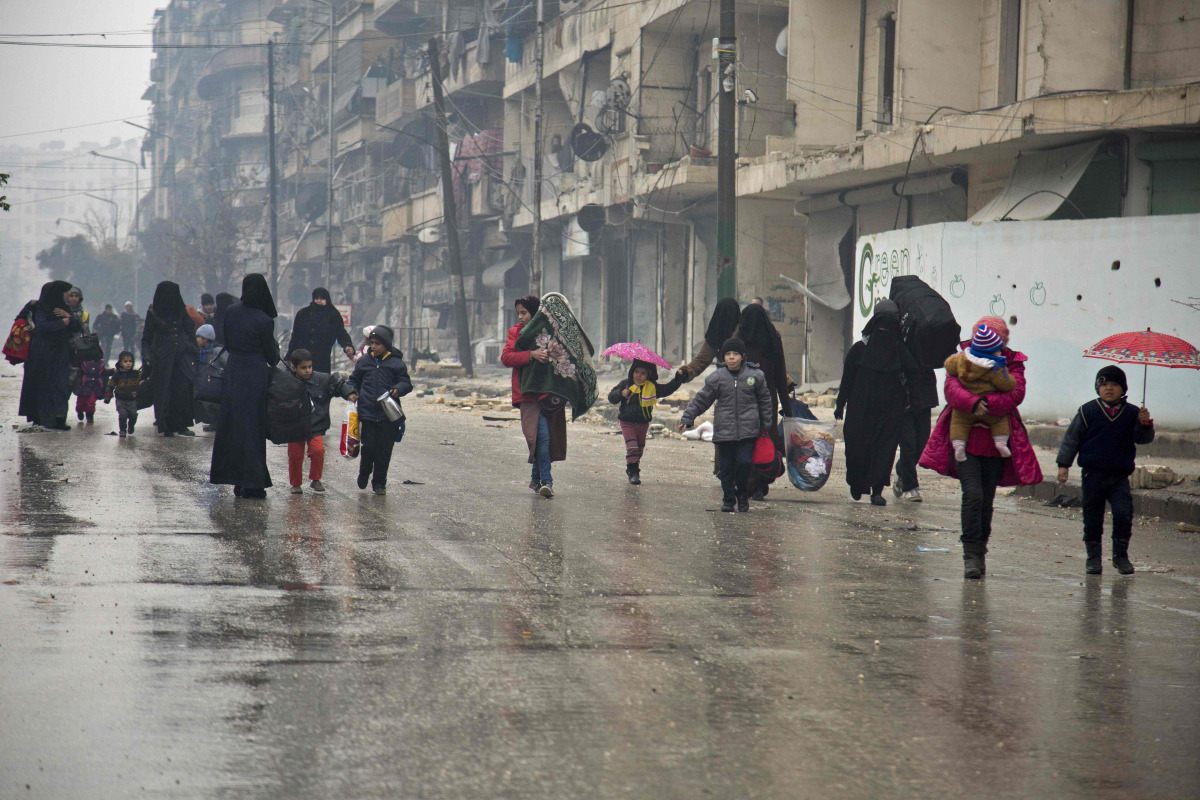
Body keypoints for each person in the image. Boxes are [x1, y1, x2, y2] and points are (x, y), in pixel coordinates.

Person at [919, 316, 1042, 579]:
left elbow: (1015, 393)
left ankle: (980, 549)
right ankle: (970, 555)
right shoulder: (963, 356)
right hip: (964, 439)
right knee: (973, 494)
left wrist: (988, 402)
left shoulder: (1012, 361)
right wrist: (973, 403)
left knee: (986, 499)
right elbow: (951, 388)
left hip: (997, 444)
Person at [1056, 365, 1155, 575]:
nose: (1108, 388)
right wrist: (1064, 465)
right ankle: (1093, 558)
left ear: (1123, 389)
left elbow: (1143, 439)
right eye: (1104, 384)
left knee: (1123, 515)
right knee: (1092, 517)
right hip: (1092, 474)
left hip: (1119, 477)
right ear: (1097, 388)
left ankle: (1120, 557)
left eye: (1114, 384)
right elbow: (1071, 439)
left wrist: (1144, 424)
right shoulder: (1087, 411)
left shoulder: (1133, 413)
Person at [835, 300, 919, 506]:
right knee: (857, 448)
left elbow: (914, 372)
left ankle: (877, 491)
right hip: (859, 410)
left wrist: (909, 397)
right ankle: (857, 484)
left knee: (884, 449)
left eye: (889, 327)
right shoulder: (860, 349)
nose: (885, 332)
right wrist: (840, 404)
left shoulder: (899, 349)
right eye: (881, 327)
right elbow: (847, 380)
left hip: (889, 411)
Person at [678, 338, 773, 512]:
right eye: (728, 354)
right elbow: (702, 399)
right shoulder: (717, 377)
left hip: (748, 430)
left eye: (735, 354)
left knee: (744, 463)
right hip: (724, 431)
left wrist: (766, 422)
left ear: (742, 356)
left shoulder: (755, 376)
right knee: (726, 468)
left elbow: (765, 400)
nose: (731, 358)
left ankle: (743, 495)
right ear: (723, 357)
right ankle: (728, 499)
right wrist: (687, 418)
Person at [210, 274, 281, 499]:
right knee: (253, 427)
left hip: (234, 371)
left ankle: (235, 478)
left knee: (232, 425)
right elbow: (272, 356)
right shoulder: (264, 319)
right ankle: (253, 481)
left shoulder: (231, 312)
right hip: (255, 374)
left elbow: (228, 341)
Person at [500, 295, 561, 497]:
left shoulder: (549, 331)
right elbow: (507, 357)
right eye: (518, 312)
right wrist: (531, 355)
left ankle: (537, 481)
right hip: (526, 394)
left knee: (543, 439)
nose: (520, 317)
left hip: (548, 393)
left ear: (535, 313)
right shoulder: (516, 333)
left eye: (524, 312)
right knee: (539, 438)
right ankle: (546, 482)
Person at [735, 302, 792, 499]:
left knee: (757, 439)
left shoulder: (741, 338)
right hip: (762, 397)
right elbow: (780, 374)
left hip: (753, 398)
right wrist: (786, 406)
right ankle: (756, 483)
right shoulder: (771, 337)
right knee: (761, 439)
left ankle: (757, 482)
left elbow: (779, 372)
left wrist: (786, 406)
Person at [346, 326, 412, 495]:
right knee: (368, 449)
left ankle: (379, 483)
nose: (373, 346)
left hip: (388, 415)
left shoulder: (396, 363)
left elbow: (406, 383)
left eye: (377, 344)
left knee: (384, 451)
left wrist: (398, 389)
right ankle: (364, 472)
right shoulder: (364, 362)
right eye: (371, 343)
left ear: (386, 345)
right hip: (367, 414)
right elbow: (354, 380)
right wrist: (352, 392)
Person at [943, 323, 1016, 461]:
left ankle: (958, 445)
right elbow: (1008, 385)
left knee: (958, 422)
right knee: (1000, 421)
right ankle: (1001, 442)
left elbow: (948, 365)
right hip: (990, 411)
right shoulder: (995, 368)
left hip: (964, 411)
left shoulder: (961, 359)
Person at [285, 348, 353, 494]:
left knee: (318, 451)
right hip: (294, 427)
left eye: (309, 366)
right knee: (295, 456)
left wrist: (349, 393)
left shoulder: (322, 380)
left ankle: (315, 480)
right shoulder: (286, 382)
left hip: (314, 426)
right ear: (294, 367)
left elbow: (338, 385)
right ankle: (295, 484)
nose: (308, 370)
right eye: (303, 368)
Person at [607, 359, 682, 484]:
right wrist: (621, 393)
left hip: (643, 423)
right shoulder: (626, 385)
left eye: (643, 373)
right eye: (636, 372)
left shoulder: (652, 387)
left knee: (639, 450)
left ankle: (632, 466)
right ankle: (633, 472)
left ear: (648, 375)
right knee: (632, 447)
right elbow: (611, 397)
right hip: (627, 422)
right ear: (632, 372)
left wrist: (678, 379)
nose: (639, 375)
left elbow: (667, 389)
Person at [18, 280, 79, 430]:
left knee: (61, 387)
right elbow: (42, 327)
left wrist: (69, 318)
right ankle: (42, 419)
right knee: (44, 387)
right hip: (42, 354)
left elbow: (76, 327)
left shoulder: (64, 308)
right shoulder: (41, 308)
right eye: (64, 292)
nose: (67, 295)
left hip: (61, 354)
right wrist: (62, 323)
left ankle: (59, 420)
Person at [142, 281, 198, 437]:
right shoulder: (153, 313)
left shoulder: (181, 311)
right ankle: (166, 424)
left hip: (182, 356)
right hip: (162, 357)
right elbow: (146, 338)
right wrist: (147, 356)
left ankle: (182, 424)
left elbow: (189, 332)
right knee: (164, 391)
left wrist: (194, 350)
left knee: (182, 389)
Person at [287, 287, 355, 374]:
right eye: (317, 298)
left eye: (322, 299)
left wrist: (347, 346)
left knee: (321, 383)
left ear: (327, 299)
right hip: (302, 358)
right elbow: (295, 336)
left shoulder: (333, 315)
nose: (319, 301)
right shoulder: (303, 314)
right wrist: (289, 356)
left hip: (322, 359)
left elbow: (341, 333)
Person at [676, 297, 742, 383]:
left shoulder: (745, 333)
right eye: (723, 314)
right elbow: (702, 360)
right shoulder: (715, 335)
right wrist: (685, 372)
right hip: (728, 381)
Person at [193, 323, 226, 431]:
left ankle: (218, 423)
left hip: (216, 383)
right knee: (207, 404)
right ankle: (213, 422)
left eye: (199, 337)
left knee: (216, 405)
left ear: (206, 339)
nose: (197, 339)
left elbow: (227, 364)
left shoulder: (217, 351)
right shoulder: (199, 353)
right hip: (205, 384)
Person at [104, 351, 142, 436]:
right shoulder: (117, 375)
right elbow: (110, 385)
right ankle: (122, 430)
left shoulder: (136, 374)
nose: (128, 363)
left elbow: (144, 376)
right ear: (121, 363)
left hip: (132, 400)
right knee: (123, 415)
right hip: (121, 400)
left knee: (134, 415)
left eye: (130, 361)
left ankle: (131, 425)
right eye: (125, 361)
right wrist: (108, 396)